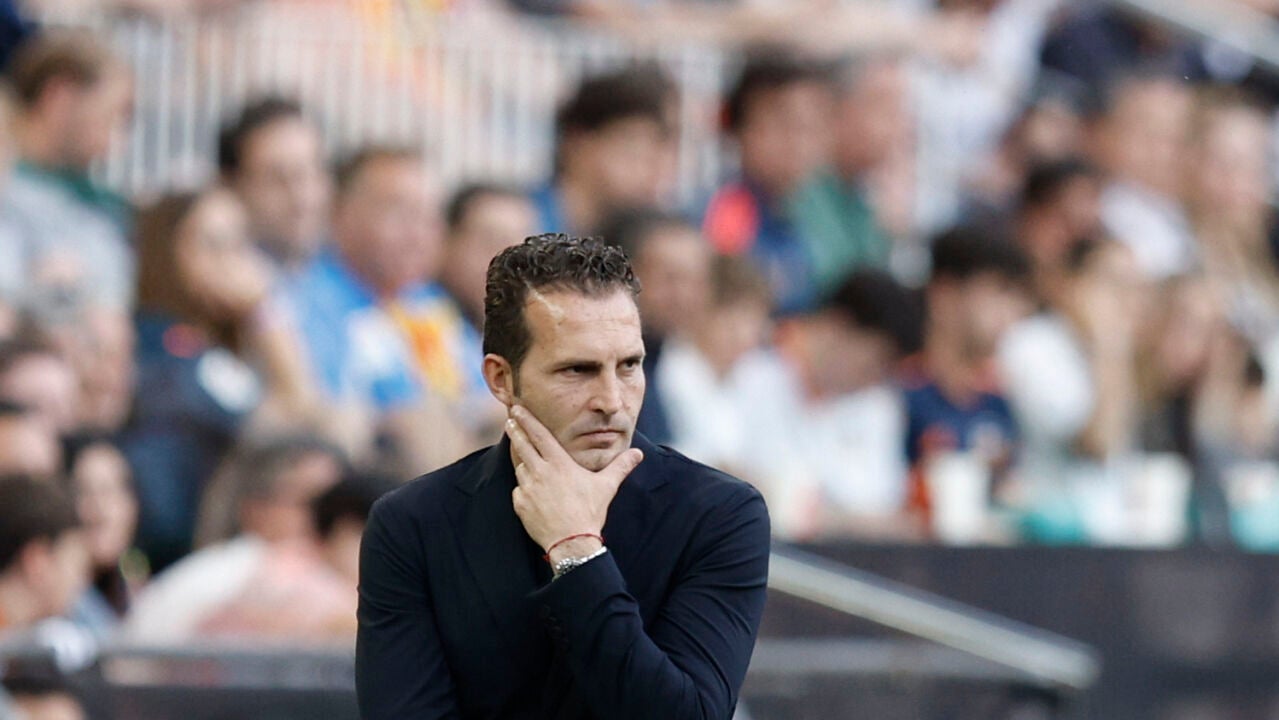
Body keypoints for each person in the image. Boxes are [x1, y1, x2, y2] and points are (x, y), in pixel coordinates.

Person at [356, 234, 770, 719]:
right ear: (500, 379)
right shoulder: (413, 525)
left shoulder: (720, 515)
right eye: (578, 370)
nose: (611, 401)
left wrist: (577, 552)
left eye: (629, 366)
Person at [278, 146, 476, 470]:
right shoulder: (300, 302)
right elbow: (319, 416)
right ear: (340, 214)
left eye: (429, 216)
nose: (419, 233)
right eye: (400, 212)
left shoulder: (428, 304)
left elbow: (481, 399)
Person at [730, 270, 922, 539]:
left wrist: (821, 517)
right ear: (838, 326)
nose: (874, 379)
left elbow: (893, 518)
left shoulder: (877, 405)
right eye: (874, 363)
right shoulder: (748, 373)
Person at [902, 225, 1032, 530]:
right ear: (944, 296)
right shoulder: (900, 394)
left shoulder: (998, 404)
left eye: (1018, 297)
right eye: (999, 292)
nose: (1012, 312)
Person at [702, 49, 833, 315]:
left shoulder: (810, 215)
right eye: (786, 125)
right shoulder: (726, 213)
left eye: (811, 127)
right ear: (741, 127)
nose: (800, 143)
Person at [601, 208, 713, 445]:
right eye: (670, 278)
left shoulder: (672, 362)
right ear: (624, 277)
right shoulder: (598, 368)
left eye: (696, 280)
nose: (685, 296)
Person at [657, 254, 772, 471]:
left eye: (752, 323)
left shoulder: (754, 373)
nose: (742, 336)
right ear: (702, 311)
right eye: (731, 323)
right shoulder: (671, 370)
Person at [530, 66, 673, 236]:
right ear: (578, 142)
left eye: (654, 153)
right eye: (632, 148)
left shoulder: (638, 234)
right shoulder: (523, 224)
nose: (649, 169)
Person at [217, 96, 332, 271]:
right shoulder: (216, 280)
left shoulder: (349, 271)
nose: (300, 196)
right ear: (230, 186)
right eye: (276, 179)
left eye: (308, 174)